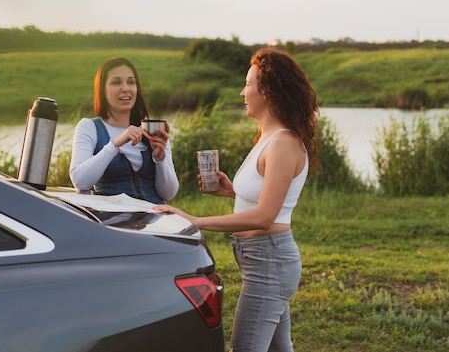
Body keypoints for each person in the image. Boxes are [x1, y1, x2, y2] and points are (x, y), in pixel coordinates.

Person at [154, 47, 319, 352]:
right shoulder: (268, 138)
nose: (243, 92)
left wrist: (195, 220)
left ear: (267, 91)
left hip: (270, 262)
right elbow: (269, 199)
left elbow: (265, 216)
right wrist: (233, 191)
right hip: (263, 260)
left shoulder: (282, 142)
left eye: (248, 84)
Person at [69, 56, 178, 204]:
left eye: (131, 82)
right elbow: (80, 181)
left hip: (155, 219)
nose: (126, 88)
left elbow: (168, 194)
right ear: (102, 89)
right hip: (112, 220)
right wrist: (115, 144)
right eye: (116, 82)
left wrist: (160, 158)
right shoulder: (89, 127)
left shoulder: (153, 128)